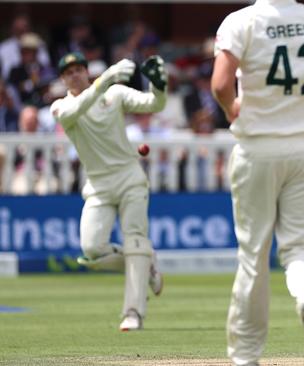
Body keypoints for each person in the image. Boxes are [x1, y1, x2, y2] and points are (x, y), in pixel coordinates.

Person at [211, 1, 304, 365]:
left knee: (253, 256)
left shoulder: (241, 21)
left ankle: (245, 355)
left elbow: (221, 84)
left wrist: (232, 108)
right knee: (299, 248)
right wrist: (300, 99)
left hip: (258, 148)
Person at [50, 51, 167, 331]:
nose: (74, 74)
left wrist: (159, 85)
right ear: (63, 79)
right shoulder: (60, 107)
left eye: (79, 69)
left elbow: (155, 104)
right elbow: (73, 112)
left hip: (129, 177)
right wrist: (104, 80)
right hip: (98, 187)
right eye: (68, 72)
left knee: (135, 240)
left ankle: (133, 313)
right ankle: (145, 262)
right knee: (91, 251)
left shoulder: (114, 93)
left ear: (86, 71)